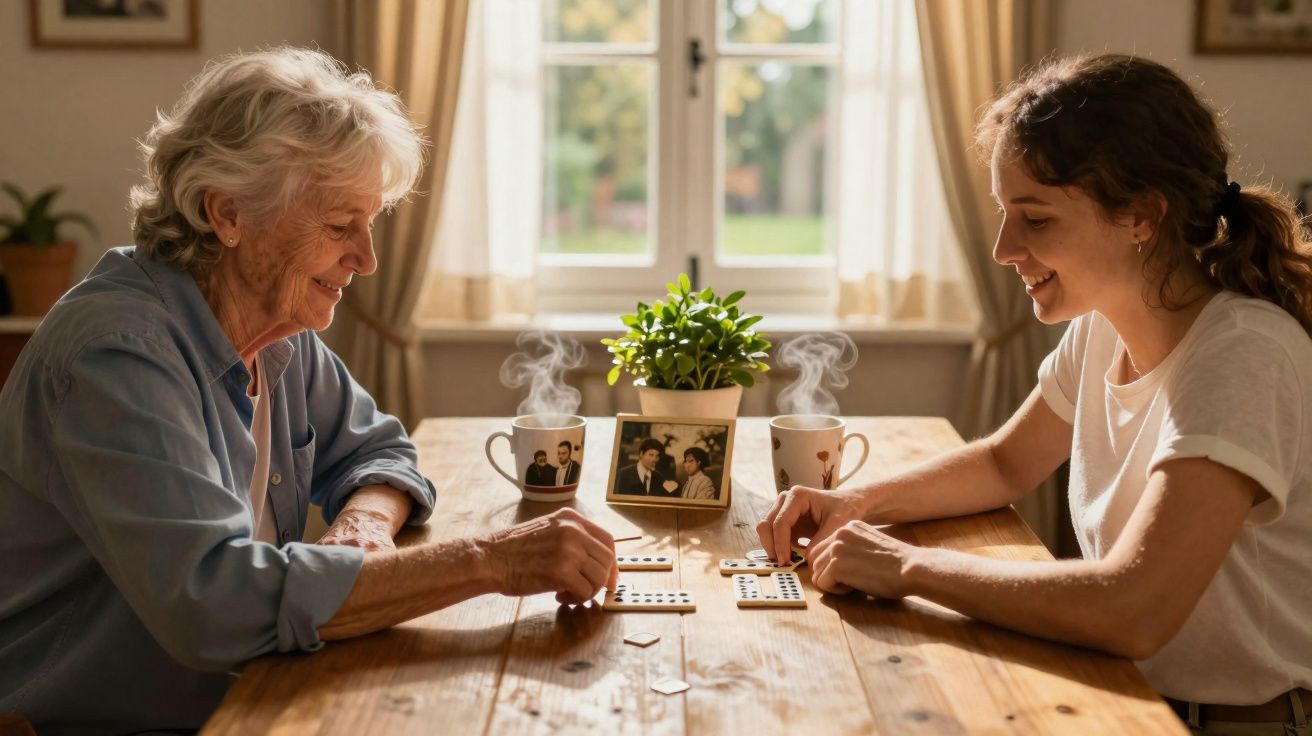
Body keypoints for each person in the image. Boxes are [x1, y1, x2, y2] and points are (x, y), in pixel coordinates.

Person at [0, 48, 618, 735]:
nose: (367, 259)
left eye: (370, 222)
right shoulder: (118, 355)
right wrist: (491, 560)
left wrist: (364, 522)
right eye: (337, 227)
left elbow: (381, 450)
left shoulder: (276, 333)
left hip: (247, 694)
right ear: (227, 214)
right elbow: (215, 601)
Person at [759, 54, 1312, 732]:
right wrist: (854, 502)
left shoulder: (1242, 353)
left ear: (1141, 217)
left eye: (1036, 219)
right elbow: (1004, 464)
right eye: (1002, 213)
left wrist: (904, 566)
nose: (1001, 248)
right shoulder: (1103, 327)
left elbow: (1131, 608)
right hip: (1132, 693)